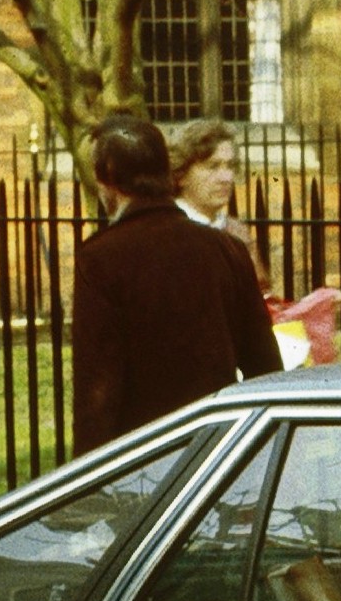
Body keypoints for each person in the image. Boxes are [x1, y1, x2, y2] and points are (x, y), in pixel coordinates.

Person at [72, 113, 282, 456]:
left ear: (107, 176)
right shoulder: (226, 249)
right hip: (217, 454)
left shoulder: (101, 258)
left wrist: (86, 485)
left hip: (141, 460)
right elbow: (266, 370)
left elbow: (96, 393)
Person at [170, 118, 271, 292]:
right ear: (181, 174)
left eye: (230, 166)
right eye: (212, 166)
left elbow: (261, 297)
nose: (226, 178)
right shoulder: (167, 232)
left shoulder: (236, 231)